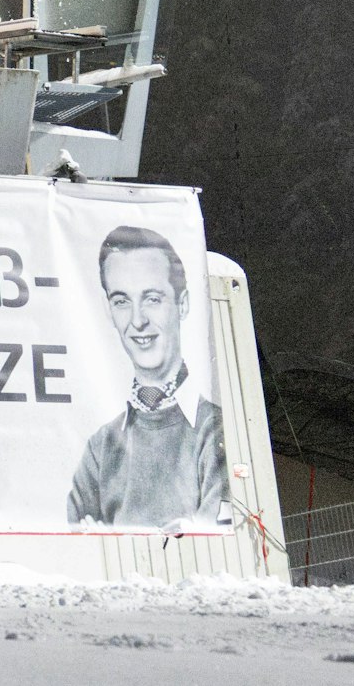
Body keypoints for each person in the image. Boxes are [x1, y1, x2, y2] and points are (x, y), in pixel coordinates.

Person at [67, 226, 228, 528]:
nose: (138, 320)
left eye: (152, 299)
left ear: (183, 305)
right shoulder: (100, 447)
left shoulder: (215, 431)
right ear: (108, 310)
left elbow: (213, 541)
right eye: (122, 301)